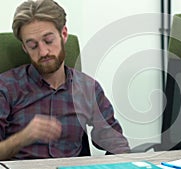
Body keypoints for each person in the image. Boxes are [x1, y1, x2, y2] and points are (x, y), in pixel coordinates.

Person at [0, 0, 130, 160]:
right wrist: (22, 138)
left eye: (48, 41)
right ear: (24, 48)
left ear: (64, 34)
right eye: (33, 45)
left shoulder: (88, 88)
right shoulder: (6, 87)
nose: (43, 52)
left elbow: (117, 144)